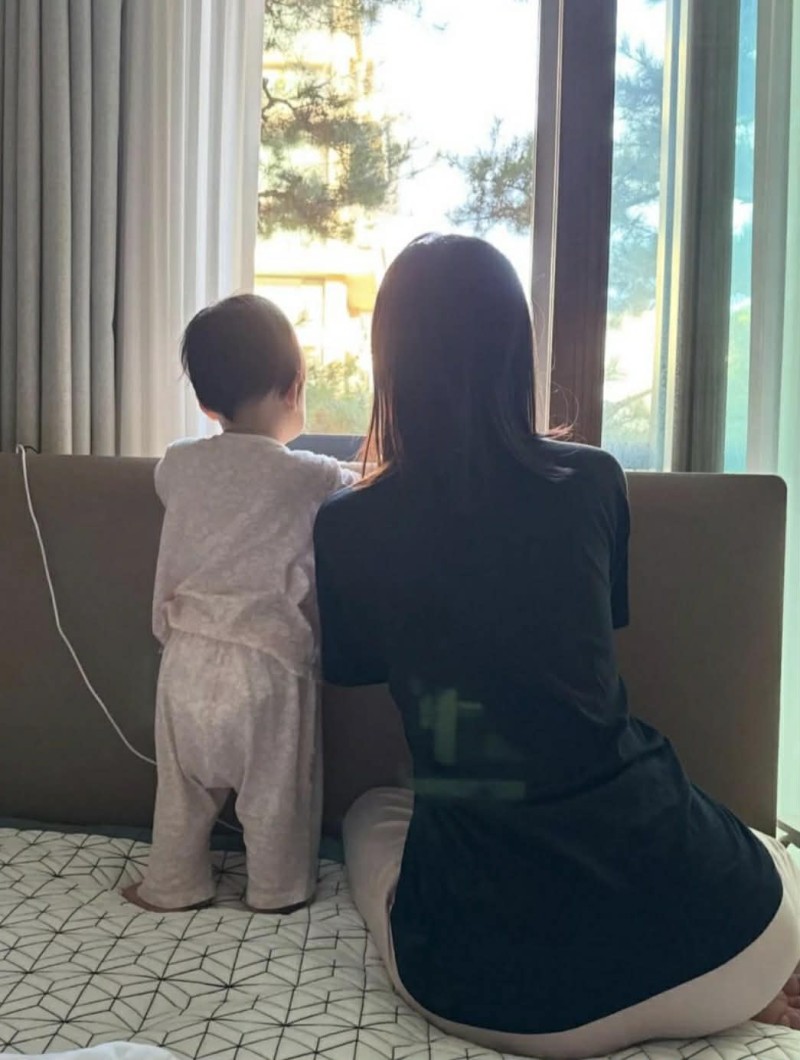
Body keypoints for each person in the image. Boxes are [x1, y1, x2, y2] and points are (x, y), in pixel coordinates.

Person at [313, 234, 800, 1057]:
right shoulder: (593, 480)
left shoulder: (347, 524)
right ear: (518, 351)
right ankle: (747, 989)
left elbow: (361, 677)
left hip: (489, 995)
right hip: (730, 948)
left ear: (389, 359)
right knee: (757, 847)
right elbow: (585, 649)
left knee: (372, 817)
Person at [124, 293, 357, 914]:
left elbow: (170, 483)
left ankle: (171, 886)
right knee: (277, 797)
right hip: (266, 666)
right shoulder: (309, 475)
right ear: (295, 387)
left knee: (180, 795)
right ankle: (276, 890)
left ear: (205, 403)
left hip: (186, 663)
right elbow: (361, 485)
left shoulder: (178, 464)